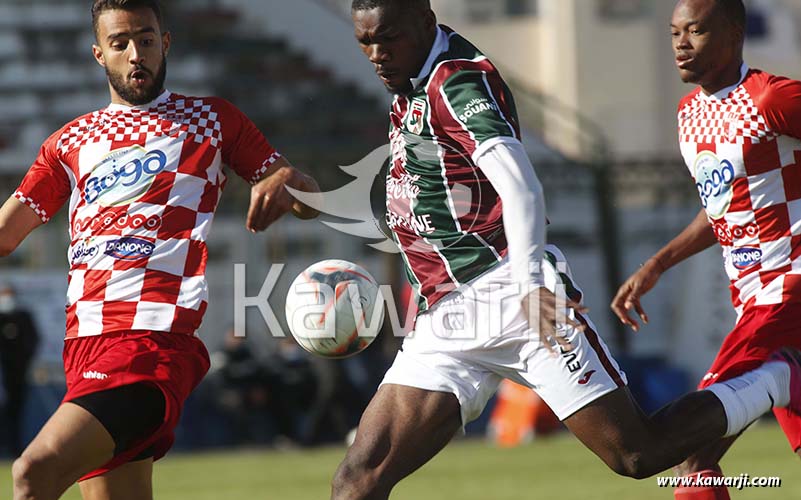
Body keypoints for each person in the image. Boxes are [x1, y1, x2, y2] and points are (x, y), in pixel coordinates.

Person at [331, 1, 801, 499]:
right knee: (358, 479)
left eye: (388, 39)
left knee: (638, 454)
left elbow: (523, 190)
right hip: (445, 313)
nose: (377, 54)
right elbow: (726, 204)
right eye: (366, 42)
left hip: (513, 294)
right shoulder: (410, 82)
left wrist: (530, 285)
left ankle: (778, 377)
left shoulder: (458, 83)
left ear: (426, 23)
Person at [0, 1, 318, 499]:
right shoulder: (68, 142)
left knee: (33, 471)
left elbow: (302, 195)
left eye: (145, 39)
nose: (135, 54)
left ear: (165, 42)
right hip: (84, 345)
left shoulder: (211, 120)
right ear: (98, 54)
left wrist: (290, 183)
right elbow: (5, 234)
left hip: (152, 340)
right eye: (120, 43)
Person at [612, 0, 801, 498]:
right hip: (751, 298)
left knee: (693, 447)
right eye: (674, 31)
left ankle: (787, 374)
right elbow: (723, 207)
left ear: (733, 34)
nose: (679, 43)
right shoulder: (690, 115)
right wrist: (658, 263)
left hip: (787, 289)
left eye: (695, 30)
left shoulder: (771, 98)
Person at [0, 284, 40, 457]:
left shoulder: (23, 316)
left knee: (16, 409)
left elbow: (33, 340)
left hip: (17, 372)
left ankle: (13, 446)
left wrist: (25, 359)